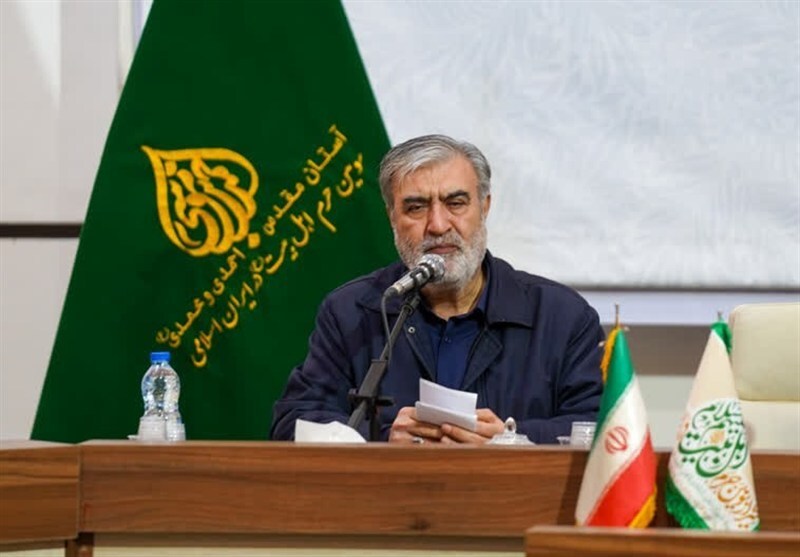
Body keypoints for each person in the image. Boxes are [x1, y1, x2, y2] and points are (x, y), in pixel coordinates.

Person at [271, 134, 604, 444]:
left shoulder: (560, 315)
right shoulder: (352, 312)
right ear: (391, 216)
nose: (438, 225)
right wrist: (384, 440)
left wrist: (509, 439)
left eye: (455, 203)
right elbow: (292, 424)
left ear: (485, 207)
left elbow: (604, 430)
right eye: (416, 207)